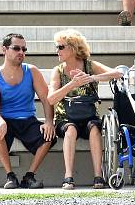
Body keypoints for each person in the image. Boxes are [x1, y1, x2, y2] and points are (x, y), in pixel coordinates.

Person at [47, 29, 122, 190]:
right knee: (71, 130)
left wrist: (93, 77)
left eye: (61, 47)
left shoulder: (89, 65)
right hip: (66, 118)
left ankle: (98, 176)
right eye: (56, 47)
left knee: (95, 129)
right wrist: (72, 84)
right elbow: (51, 99)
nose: (57, 51)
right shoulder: (58, 71)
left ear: (73, 48)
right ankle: (68, 176)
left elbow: (118, 73)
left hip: (88, 116)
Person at [0, 33, 55, 189]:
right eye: (16, 48)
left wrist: (49, 122)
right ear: (4, 50)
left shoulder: (32, 71)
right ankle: (10, 176)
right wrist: (0, 121)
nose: (21, 52)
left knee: (50, 135)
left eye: (24, 49)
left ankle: (29, 177)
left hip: (27, 119)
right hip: (6, 120)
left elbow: (46, 99)